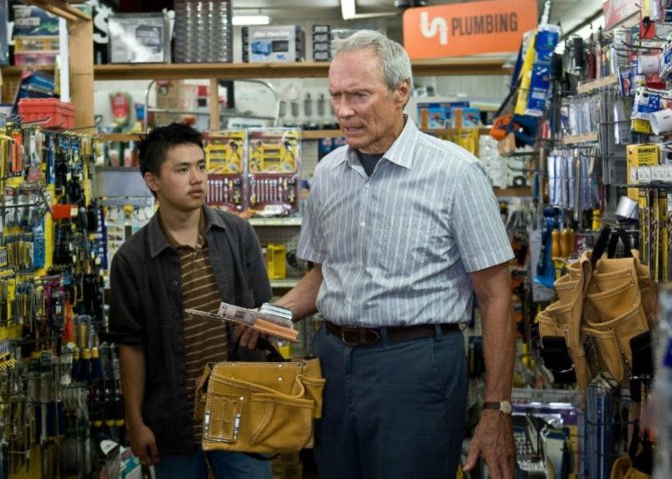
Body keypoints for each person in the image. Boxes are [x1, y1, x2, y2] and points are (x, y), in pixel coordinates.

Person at [242, 30, 517, 479]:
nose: (344, 111)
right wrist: (274, 313)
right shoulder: (329, 173)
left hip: (415, 365)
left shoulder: (456, 173)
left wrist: (496, 406)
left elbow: (495, 296)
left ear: (400, 92)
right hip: (332, 362)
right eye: (336, 96)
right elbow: (325, 274)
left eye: (359, 95)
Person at [107, 123, 273, 479]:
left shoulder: (238, 235)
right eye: (182, 169)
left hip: (242, 416)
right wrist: (135, 422)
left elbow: (266, 312)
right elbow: (131, 348)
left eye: (200, 166)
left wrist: (263, 324)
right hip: (173, 423)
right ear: (153, 181)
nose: (197, 178)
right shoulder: (132, 261)